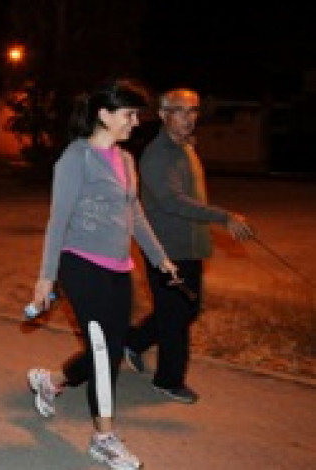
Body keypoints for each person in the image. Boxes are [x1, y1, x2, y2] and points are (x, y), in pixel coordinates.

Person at [25, 78, 177, 470]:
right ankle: (103, 438)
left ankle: (52, 381)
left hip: (118, 268)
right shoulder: (76, 158)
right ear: (104, 115)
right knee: (105, 352)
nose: (135, 122)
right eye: (128, 114)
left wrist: (160, 259)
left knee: (109, 347)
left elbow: (135, 214)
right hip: (81, 265)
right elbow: (57, 219)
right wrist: (46, 277)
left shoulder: (125, 160)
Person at [123, 88, 253, 404]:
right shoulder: (157, 155)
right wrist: (223, 217)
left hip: (189, 248)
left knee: (186, 310)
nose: (189, 118)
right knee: (175, 317)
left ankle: (134, 342)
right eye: (180, 111)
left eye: (193, 111)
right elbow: (172, 201)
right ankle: (168, 380)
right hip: (165, 251)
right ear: (165, 115)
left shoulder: (185, 149)